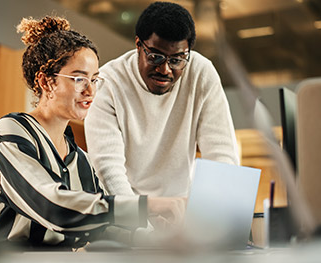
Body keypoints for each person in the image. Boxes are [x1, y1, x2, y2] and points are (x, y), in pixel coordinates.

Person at [0, 15, 185, 250]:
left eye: (95, 79)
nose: (90, 90)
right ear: (47, 82)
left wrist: (159, 239)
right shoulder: (12, 131)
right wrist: (146, 206)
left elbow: (101, 227)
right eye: (79, 78)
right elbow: (52, 208)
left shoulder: (81, 159)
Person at [84, 2, 240, 198]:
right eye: (155, 57)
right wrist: (141, 222)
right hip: (127, 208)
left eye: (176, 60)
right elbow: (108, 171)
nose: (165, 70)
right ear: (138, 45)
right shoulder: (108, 83)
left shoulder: (201, 73)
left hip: (180, 206)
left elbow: (222, 155)